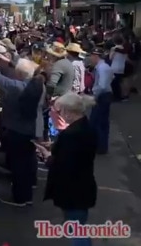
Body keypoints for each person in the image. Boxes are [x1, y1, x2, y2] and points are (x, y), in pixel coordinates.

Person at [37, 93, 97, 246]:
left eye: (60, 111)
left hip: (73, 192)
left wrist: (47, 156)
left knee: (77, 231)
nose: (58, 115)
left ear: (69, 112)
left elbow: (64, 165)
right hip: (82, 188)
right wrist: (56, 147)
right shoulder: (84, 127)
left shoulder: (72, 135)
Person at [0, 56, 44, 207]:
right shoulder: (37, 85)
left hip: (17, 130)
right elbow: (28, 70)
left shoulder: (19, 87)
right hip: (29, 129)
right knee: (27, 163)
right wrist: (9, 61)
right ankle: (27, 194)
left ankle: (20, 198)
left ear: (20, 74)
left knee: (18, 166)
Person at [89, 48, 114, 154]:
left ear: (96, 56)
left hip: (102, 96)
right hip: (106, 95)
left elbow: (102, 85)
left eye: (92, 56)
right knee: (102, 122)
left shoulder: (101, 68)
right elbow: (112, 77)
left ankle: (99, 146)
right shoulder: (104, 67)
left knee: (97, 122)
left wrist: (95, 94)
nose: (90, 58)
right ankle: (102, 146)